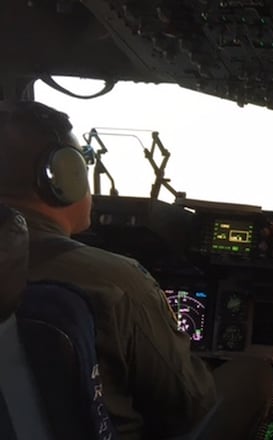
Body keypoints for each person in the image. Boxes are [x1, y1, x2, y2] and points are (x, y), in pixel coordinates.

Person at [0, 101, 217, 439]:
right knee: (253, 378)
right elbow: (189, 408)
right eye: (84, 162)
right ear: (63, 178)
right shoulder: (116, 282)